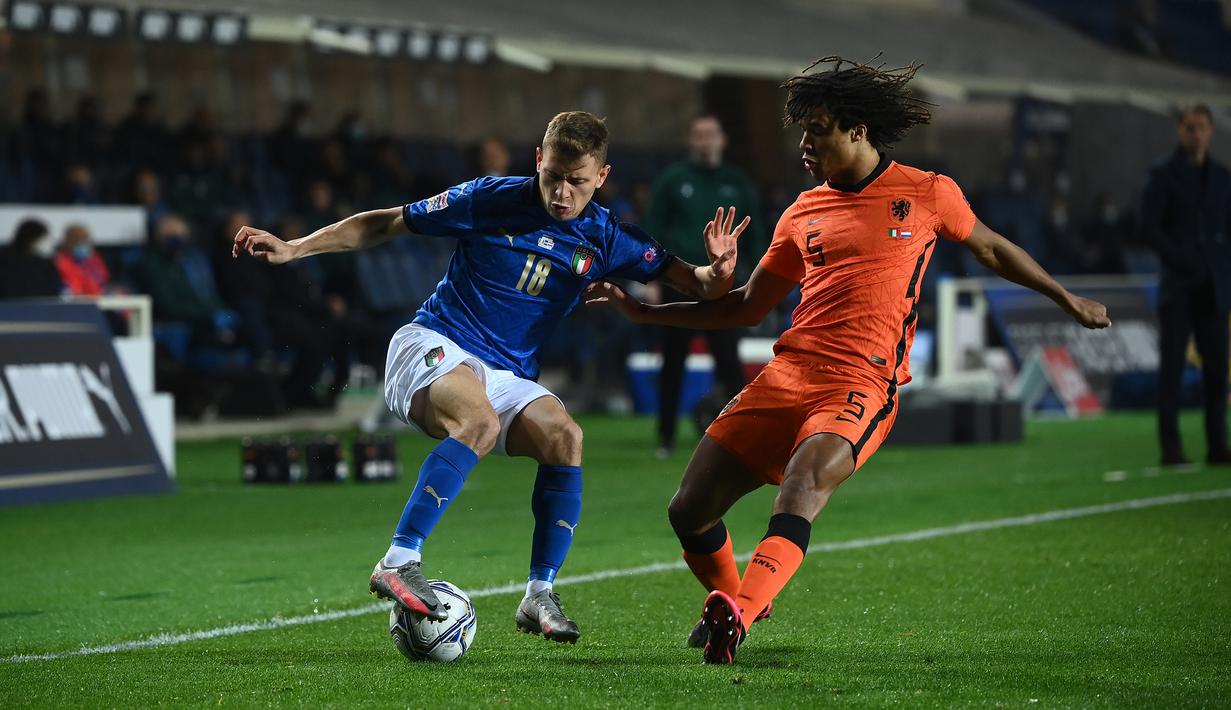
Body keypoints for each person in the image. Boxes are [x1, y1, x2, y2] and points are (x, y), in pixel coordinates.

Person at [585, 57, 1111, 664]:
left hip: (860, 383)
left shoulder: (927, 193)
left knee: (804, 484)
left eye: (818, 132)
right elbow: (746, 308)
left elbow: (992, 248)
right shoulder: (802, 212)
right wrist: (645, 315)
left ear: (857, 130)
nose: (804, 146)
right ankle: (738, 602)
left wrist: (1065, 297)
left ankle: (741, 615)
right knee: (688, 509)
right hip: (787, 375)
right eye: (802, 133)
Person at [233, 111, 749, 643]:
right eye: (553, 177)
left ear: (602, 177)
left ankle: (539, 594)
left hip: (506, 373)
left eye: (577, 182)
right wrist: (296, 248)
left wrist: (719, 269)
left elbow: (700, 284)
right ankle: (399, 558)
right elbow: (384, 222)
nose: (562, 194)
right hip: (434, 343)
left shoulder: (608, 237)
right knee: (476, 420)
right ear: (538, 162)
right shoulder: (489, 198)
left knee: (565, 437)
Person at [642, 115, 765, 458]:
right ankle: (666, 437)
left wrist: (753, 280)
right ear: (691, 141)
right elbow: (652, 230)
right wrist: (651, 277)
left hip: (725, 288)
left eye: (710, 135)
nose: (704, 141)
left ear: (722, 140)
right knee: (673, 362)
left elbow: (757, 237)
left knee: (729, 362)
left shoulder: (737, 182)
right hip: (678, 284)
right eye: (698, 135)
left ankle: (742, 433)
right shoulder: (673, 180)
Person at [1141, 104, 1231, 466]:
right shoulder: (1162, 174)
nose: (1196, 134)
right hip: (1178, 285)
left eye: (1202, 127)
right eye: (1190, 128)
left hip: (1213, 285)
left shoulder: (1222, 176)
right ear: (1180, 130)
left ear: (1211, 131)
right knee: (1172, 368)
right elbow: (1149, 228)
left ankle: (1217, 445)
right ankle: (1171, 448)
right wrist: (1182, 259)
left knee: (1217, 369)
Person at [0, 218, 63, 299]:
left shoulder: (45, 264)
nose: (45, 243)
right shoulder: (4, 259)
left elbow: (55, 291)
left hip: (39, 307)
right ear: (32, 239)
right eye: (43, 239)